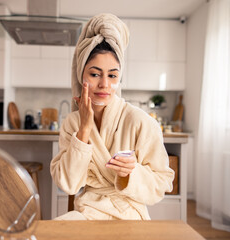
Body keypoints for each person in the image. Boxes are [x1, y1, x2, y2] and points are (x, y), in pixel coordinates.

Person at [50, 13, 174, 220]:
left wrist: (130, 173)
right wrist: (84, 130)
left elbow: (162, 183)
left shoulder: (141, 122)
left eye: (112, 75)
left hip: (128, 213)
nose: (104, 84)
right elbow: (68, 184)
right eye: (95, 74)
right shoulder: (73, 122)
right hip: (87, 212)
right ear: (82, 75)